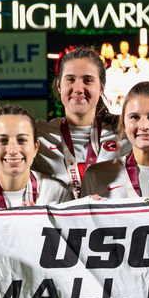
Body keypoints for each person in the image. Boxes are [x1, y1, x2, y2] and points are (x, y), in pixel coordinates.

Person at [34, 48, 123, 197]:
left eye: (88, 80)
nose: (78, 89)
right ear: (58, 86)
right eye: (70, 79)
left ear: (102, 88)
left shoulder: (125, 134)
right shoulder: (37, 134)